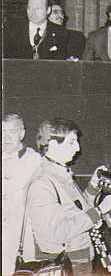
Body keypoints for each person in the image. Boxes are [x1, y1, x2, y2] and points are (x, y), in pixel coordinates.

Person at [27, 118, 111, 275]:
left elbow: (79, 211)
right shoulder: (43, 182)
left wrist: (93, 187)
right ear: (52, 144)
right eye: (71, 142)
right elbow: (57, 233)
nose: (78, 148)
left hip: (79, 259)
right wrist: (100, 210)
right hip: (68, 263)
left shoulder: (61, 174)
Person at [2, 113, 42, 276]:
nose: (5, 136)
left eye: (11, 131)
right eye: (2, 131)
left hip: (21, 235)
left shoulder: (34, 161)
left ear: (22, 133)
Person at [2, 0, 68, 60]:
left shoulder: (60, 33)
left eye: (37, 8)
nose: (32, 12)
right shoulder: (11, 29)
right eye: (29, 8)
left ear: (48, 10)